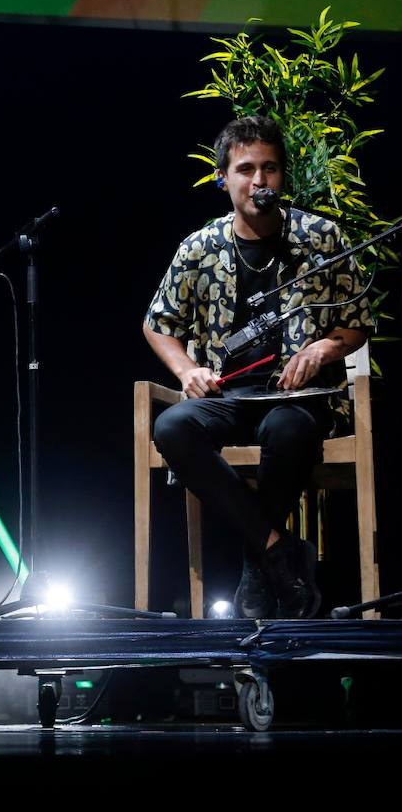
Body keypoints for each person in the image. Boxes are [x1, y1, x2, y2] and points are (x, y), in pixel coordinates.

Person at [143, 115, 372, 618]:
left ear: (282, 177)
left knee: (289, 430)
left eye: (270, 168)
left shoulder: (322, 238)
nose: (259, 180)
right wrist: (186, 371)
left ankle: (259, 565)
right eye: (246, 169)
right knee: (173, 426)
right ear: (224, 178)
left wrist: (325, 350)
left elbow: (357, 322)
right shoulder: (198, 248)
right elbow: (157, 323)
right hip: (226, 398)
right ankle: (276, 552)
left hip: (296, 399)